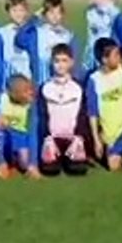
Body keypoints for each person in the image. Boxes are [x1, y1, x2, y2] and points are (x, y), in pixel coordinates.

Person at [86, 38, 122, 173]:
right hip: (111, 133)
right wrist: (96, 139)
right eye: (116, 55)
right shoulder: (94, 80)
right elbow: (92, 113)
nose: (120, 57)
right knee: (113, 167)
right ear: (104, 59)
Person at [39, 44, 91, 176]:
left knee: (77, 170)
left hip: (73, 138)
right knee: (50, 170)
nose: (60, 65)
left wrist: (79, 137)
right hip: (52, 138)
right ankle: (56, 156)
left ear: (71, 63)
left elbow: (83, 115)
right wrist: (47, 138)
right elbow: (42, 116)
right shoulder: (45, 87)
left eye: (64, 61)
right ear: (51, 62)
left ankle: (71, 155)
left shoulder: (78, 87)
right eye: (57, 61)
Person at [16, 0, 77, 85]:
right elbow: (19, 40)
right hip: (39, 83)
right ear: (44, 14)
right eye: (51, 13)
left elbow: (74, 59)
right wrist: (33, 19)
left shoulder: (68, 35)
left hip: (61, 85)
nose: (55, 16)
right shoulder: (37, 33)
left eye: (58, 12)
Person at [0, 75, 42, 179]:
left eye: (30, 90)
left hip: (22, 139)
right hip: (6, 138)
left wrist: (33, 165)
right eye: (26, 91)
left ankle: (17, 161)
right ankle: (1, 163)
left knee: (24, 163)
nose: (30, 93)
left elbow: (32, 135)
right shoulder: (3, 100)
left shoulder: (30, 107)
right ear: (15, 93)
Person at [0, 0, 32, 81]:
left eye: (21, 10)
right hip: (9, 77)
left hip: (28, 76)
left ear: (26, 11)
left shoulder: (33, 31)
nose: (18, 14)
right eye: (14, 10)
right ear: (8, 12)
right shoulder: (2, 32)